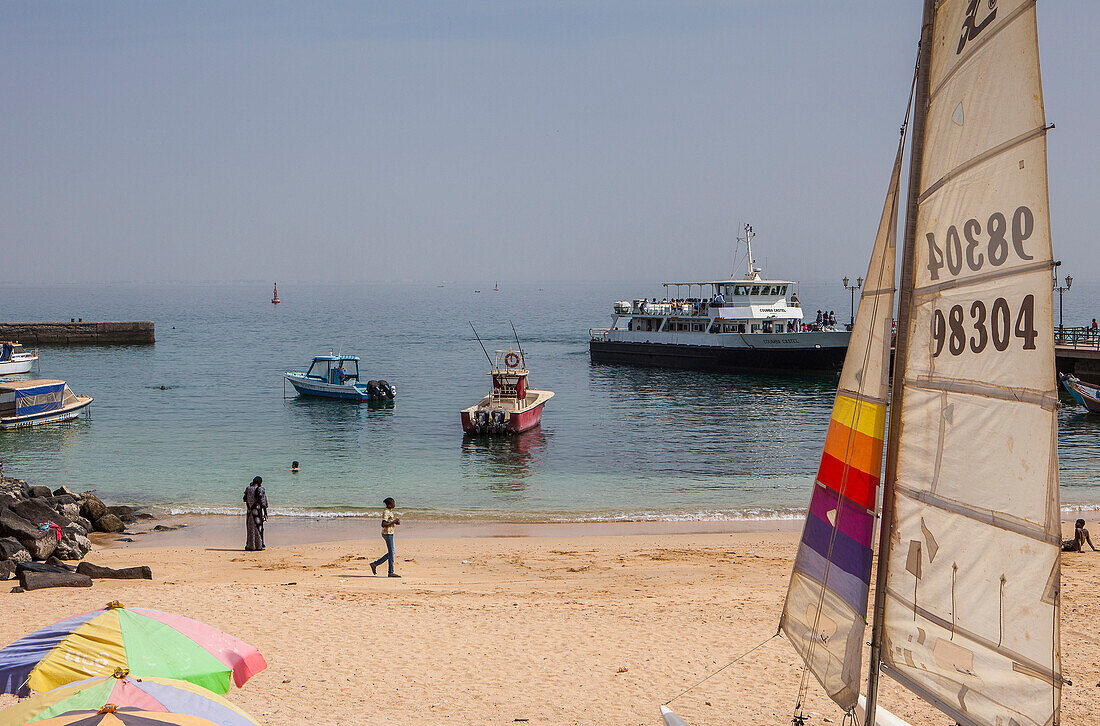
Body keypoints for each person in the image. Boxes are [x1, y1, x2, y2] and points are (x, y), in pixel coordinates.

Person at [370, 497, 401, 577]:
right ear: (390, 505)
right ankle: (390, 572)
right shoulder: (386, 512)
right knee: (391, 553)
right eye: (393, 503)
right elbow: (383, 524)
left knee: (391, 553)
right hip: (387, 533)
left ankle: (375, 564)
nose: (395, 504)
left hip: (390, 533)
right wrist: (394, 521)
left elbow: (389, 522)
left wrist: (395, 522)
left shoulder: (390, 512)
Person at [243, 476, 267, 551]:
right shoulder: (261, 489)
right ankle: (258, 546)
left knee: (250, 528)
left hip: (250, 511)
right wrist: (265, 513)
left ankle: (250, 546)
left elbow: (245, 499)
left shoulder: (248, 489)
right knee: (258, 528)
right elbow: (263, 503)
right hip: (257, 511)